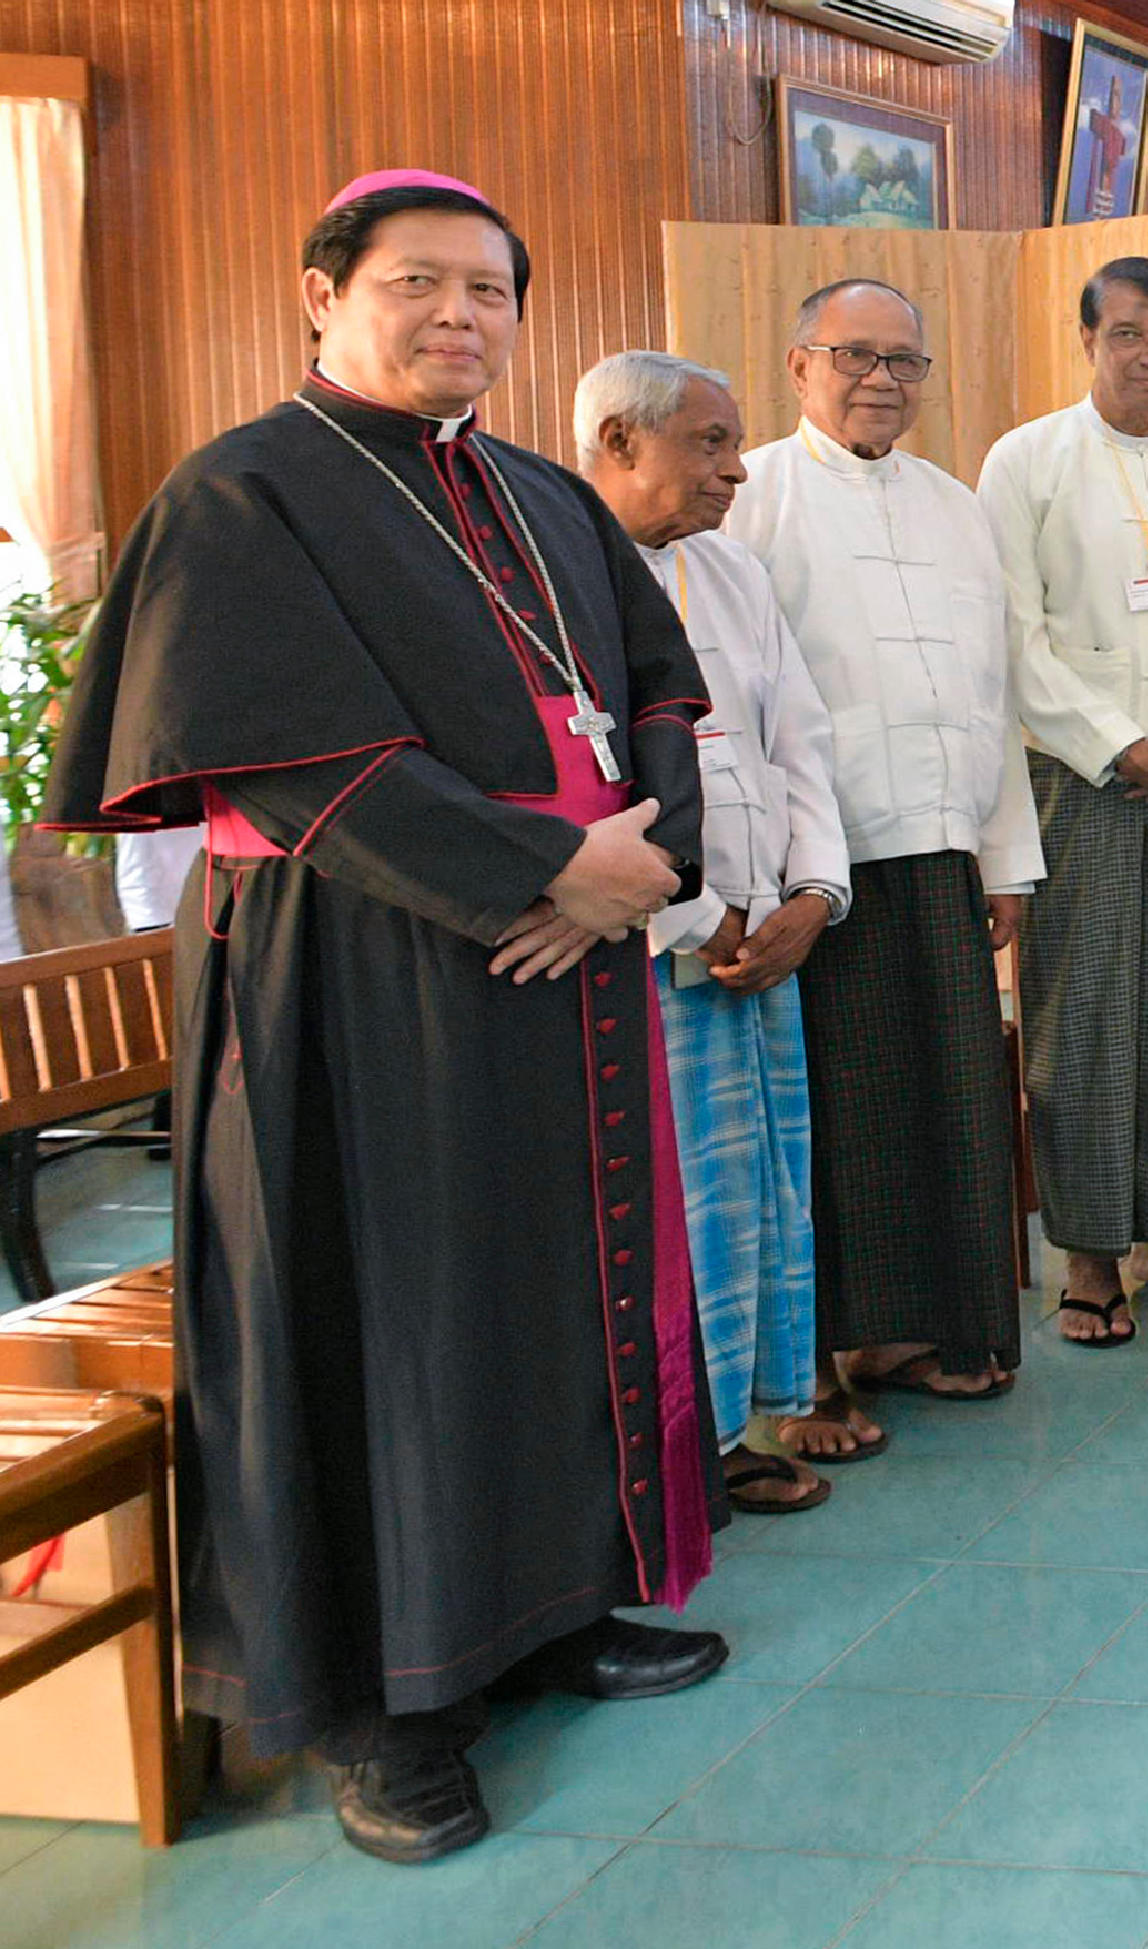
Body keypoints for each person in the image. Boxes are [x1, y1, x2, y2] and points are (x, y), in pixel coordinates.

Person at [50, 173, 725, 1864]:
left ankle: (549, 1608)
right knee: (389, 1318)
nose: (459, 316)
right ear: (321, 295)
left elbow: (659, 694)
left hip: (562, 964)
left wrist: (641, 866)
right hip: (358, 976)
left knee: (540, 1292)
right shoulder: (243, 493)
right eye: (419, 283)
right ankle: (384, 1707)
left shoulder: (543, 493)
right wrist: (542, 872)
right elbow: (286, 760)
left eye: (489, 291)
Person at [730, 279, 1040, 1442]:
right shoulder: (751, 493)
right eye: (855, 355)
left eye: (904, 360)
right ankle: (806, 1362)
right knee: (834, 1114)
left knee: (949, 1104)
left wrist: (1003, 855)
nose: (881, 379)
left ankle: (914, 1331)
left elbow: (990, 687)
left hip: (943, 850)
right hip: (815, 868)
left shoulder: (955, 504)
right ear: (799, 364)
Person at [580, 350, 849, 1521]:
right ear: (617, 442)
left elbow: (799, 739)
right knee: (664, 1214)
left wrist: (813, 893)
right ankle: (664, 1450)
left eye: (735, 441)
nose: (737, 468)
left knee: (756, 1195)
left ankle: (732, 1428)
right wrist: (699, 916)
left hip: (761, 943)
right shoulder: (560, 579)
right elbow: (580, 783)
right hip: (645, 958)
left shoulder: (730, 569)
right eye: (709, 441)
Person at [979, 256, 1148, 1346]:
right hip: (1080, 779)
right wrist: (1122, 747)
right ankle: (1090, 1256)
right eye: (1129, 333)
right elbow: (1014, 637)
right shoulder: (1026, 461)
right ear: (1087, 339)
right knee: (1085, 1015)